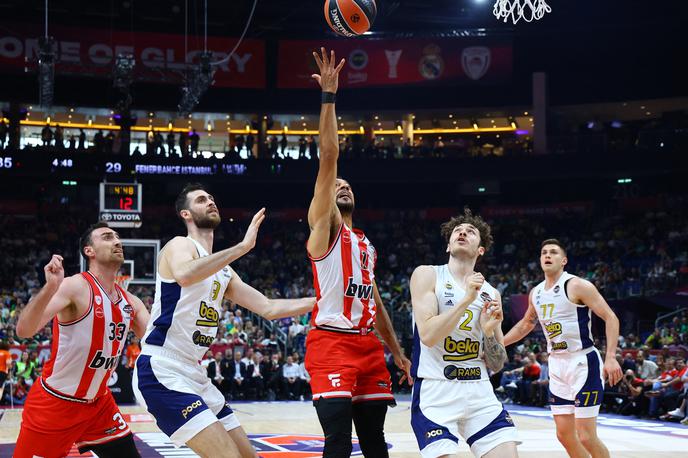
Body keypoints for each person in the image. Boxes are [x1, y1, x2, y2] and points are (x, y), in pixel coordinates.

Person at [133, 183, 315, 457]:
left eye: (212, 198)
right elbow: (185, 274)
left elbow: (268, 307)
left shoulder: (223, 271)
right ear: (186, 214)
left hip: (194, 372)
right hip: (162, 367)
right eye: (201, 200)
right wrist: (243, 247)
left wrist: (321, 302)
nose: (210, 202)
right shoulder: (180, 245)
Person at [305, 47, 411, 458]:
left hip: (369, 348)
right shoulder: (323, 226)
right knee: (338, 444)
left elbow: (376, 300)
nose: (342, 186)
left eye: (349, 185)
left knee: (374, 444)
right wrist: (329, 98)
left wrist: (397, 352)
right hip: (330, 342)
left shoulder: (365, 244)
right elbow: (329, 156)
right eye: (336, 185)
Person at [13, 222, 151, 458]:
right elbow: (24, 330)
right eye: (107, 237)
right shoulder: (75, 286)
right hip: (55, 404)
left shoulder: (132, 302)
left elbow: (159, 343)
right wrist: (50, 288)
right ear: (89, 251)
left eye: (118, 237)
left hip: (99, 405)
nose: (117, 241)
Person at [409, 209, 520, 457]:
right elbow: (428, 335)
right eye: (458, 231)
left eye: (471, 232)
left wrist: (490, 334)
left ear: (480, 250)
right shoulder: (427, 274)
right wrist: (467, 299)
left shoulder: (491, 293)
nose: (463, 232)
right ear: (448, 246)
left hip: (479, 390)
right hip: (436, 391)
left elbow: (497, 363)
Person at [504, 239, 623, 458]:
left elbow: (610, 317)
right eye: (543, 252)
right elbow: (526, 324)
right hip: (557, 364)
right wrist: (499, 344)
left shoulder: (577, 285)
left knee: (586, 436)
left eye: (553, 252)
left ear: (564, 260)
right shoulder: (536, 292)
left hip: (582, 361)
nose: (547, 255)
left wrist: (611, 357)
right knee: (564, 436)